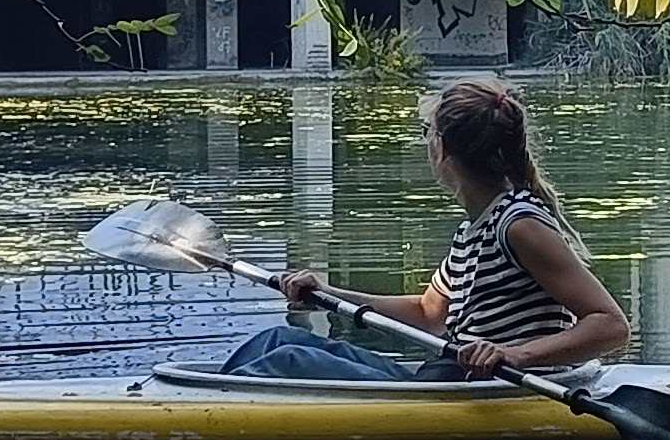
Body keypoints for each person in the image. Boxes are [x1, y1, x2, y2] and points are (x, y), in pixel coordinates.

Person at [222, 80, 632, 382]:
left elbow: (610, 325)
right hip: (444, 375)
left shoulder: (520, 224)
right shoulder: (476, 225)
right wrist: (325, 295)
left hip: (485, 388)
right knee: (274, 342)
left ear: (444, 149)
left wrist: (514, 354)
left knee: (287, 362)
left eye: (427, 133)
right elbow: (429, 313)